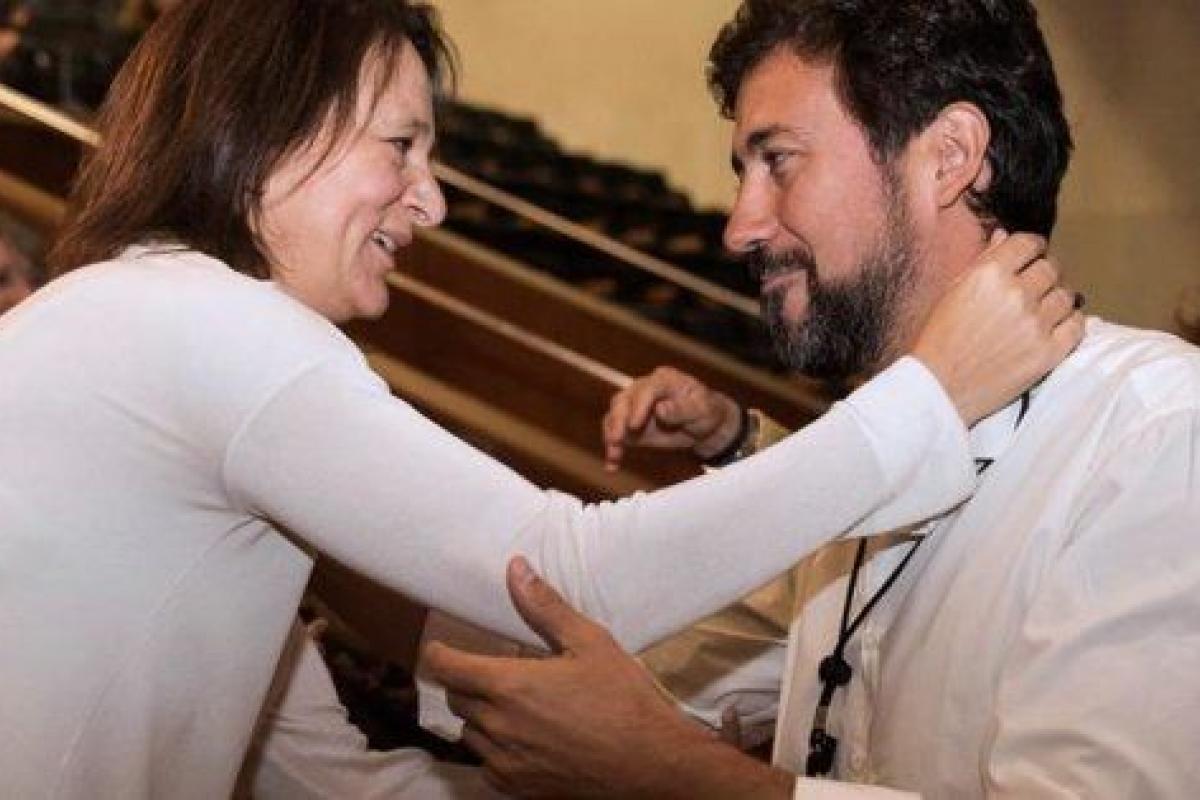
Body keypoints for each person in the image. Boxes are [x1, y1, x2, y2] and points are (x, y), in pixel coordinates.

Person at [0, 0, 1081, 796]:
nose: (430, 201)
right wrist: (930, 398)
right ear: (269, 127)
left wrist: (626, 772)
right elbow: (566, 576)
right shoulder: (210, 323)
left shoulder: (140, 317)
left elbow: (336, 783)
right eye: (401, 145)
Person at [425, 0, 1200, 797]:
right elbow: (636, 682)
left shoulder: (1158, 432)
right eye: (743, 173)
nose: (740, 227)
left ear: (949, 157)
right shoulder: (859, 453)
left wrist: (671, 775)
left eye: (780, 160)